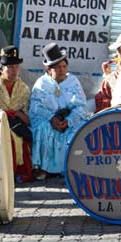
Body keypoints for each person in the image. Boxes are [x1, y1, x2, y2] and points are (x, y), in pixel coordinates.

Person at [29, 43, 88, 179]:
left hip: (69, 118)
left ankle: (69, 168)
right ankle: (41, 168)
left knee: (78, 129)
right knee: (42, 128)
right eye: (57, 67)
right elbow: (36, 107)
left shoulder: (73, 81)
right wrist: (51, 118)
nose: (61, 70)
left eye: (64, 66)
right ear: (49, 69)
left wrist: (69, 120)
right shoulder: (42, 83)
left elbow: (81, 106)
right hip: (49, 119)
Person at [0, 45, 33, 183]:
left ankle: (23, 172)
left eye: (16, 67)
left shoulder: (23, 88)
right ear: (1, 69)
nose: (14, 70)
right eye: (9, 67)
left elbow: (26, 115)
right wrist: (10, 114)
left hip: (17, 124)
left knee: (26, 135)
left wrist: (18, 114)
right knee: (8, 137)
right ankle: (5, 174)